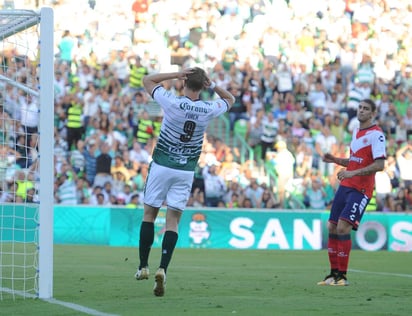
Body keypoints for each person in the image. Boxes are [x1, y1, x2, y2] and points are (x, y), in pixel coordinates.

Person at [135, 67, 235, 296]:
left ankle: (143, 266)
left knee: (149, 215)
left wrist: (175, 73)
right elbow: (230, 98)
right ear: (202, 86)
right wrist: (213, 86)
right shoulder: (208, 108)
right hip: (186, 170)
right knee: (173, 221)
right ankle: (163, 268)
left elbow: (147, 80)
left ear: (184, 83)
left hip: (161, 165)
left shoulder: (171, 102)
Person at [317, 99, 386, 286]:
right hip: (346, 185)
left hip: (361, 189)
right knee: (331, 227)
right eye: (360, 108)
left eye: (366, 109)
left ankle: (343, 276)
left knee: (342, 227)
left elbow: (380, 165)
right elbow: (355, 160)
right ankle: (332, 274)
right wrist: (335, 160)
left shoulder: (377, 135)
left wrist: (352, 173)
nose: (361, 111)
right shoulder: (356, 131)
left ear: (372, 114)